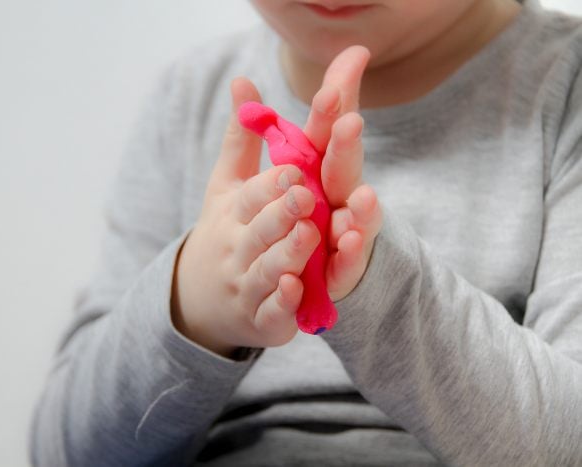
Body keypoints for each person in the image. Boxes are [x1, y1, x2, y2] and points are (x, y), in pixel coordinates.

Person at [30, 0, 582, 464]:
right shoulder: (190, 98)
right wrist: (189, 311)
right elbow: (66, 450)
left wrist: (374, 287)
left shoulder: (565, 86)